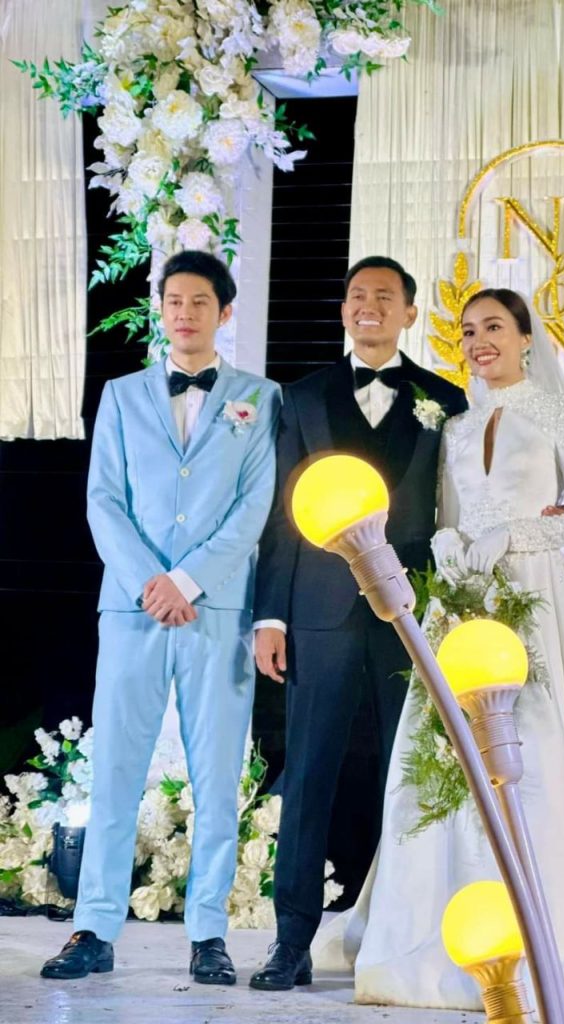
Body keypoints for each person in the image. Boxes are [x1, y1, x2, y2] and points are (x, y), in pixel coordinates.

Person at [313, 289, 564, 1021]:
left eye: (494, 327)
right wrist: (450, 540)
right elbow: (448, 514)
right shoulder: (457, 425)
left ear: (526, 337)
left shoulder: (560, 413)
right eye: (468, 330)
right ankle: (440, 948)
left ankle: (554, 942)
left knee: (535, 754)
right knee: (446, 758)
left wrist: (518, 534)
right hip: (461, 598)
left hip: (536, 598)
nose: (479, 341)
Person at [41, 250, 281, 985]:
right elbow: (102, 501)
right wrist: (152, 582)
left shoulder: (260, 398)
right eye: (174, 300)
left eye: (200, 301)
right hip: (132, 607)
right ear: (160, 308)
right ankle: (93, 927)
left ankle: (208, 933)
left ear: (224, 311)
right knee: (115, 769)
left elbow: (255, 507)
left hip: (218, 611)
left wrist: (187, 581)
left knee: (217, 776)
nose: (185, 313)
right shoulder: (120, 395)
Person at [249, 256, 468, 991]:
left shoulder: (444, 400)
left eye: (383, 296)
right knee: (308, 772)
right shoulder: (302, 396)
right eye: (355, 296)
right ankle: (290, 942)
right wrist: (270, 615)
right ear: (344, 310)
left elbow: (452, 509)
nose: (367, 306)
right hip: (318, 610)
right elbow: (282, 515)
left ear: (410, 313)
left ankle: (398, 939)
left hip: (409, 612)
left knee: (405, 776)